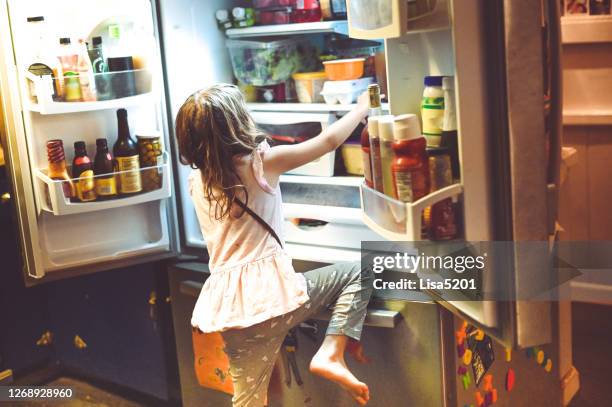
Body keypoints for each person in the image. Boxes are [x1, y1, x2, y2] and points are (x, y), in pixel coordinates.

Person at [175, 83, 374, 406]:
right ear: (237, 123)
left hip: (235, 313)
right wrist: (362, 108)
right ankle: (330, 352)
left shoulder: (197, 182)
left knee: (256, 397)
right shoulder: (261, 164)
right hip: (272, 302)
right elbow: (328, 142)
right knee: (359, 272)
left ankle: (330, 355)